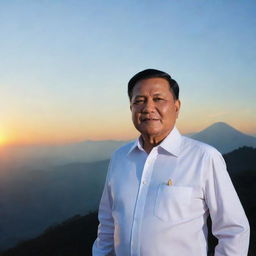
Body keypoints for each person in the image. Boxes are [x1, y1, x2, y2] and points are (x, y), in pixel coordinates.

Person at [92, 69, 250, 256]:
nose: (148, 108)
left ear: (176, 106)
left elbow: (233, 230)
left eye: (158, 99)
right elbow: (108, 222)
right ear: (131, 109)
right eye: (139, 101)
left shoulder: (204, 157)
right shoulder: (120, 158)